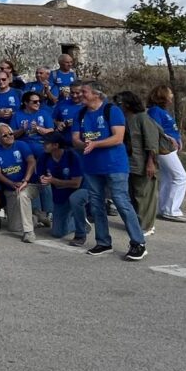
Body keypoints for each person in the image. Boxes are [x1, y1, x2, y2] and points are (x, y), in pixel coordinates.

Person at [73, 83, 147, 261]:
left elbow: (117, 137)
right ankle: (103, 242)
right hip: (91, 166)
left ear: (96, 94)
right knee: (97, 205)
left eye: (84, 92)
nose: (78, 95)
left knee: (121, 202)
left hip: (114, 165)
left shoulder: (111, 110)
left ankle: (138, 243)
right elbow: (75, 139)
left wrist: (95, 144)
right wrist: (84, 145)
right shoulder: (80, 113)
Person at [115, 91, 161, 237]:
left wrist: (150, 163)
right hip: (129, 163)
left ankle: (147, 226)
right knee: (133, 194)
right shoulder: (124, 119)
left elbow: (152, 143)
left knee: (144, 195)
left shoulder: (143, 118)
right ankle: (136, 222)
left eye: (120, 103)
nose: (118, 106)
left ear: (128, 104)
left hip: (143, 163)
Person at [0, 122, 42, 243]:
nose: (9, 136)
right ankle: (36, 218)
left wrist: (25, 180)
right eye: (5, 135)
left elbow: (31, 161)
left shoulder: (21, 145)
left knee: (23, 194)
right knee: (14, 227)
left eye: (11, 133)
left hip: (30, 185)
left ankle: (29, 232)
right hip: (11, 188)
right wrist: (11, 184)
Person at [38, 133, 88, 244]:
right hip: (60, 194)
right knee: (57, 233)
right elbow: (41, 175)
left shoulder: (72, 157)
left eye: (46, 143)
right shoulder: (44, 157)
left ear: (56, 145)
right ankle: (77, 222)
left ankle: (81, 230)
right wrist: (43, 179)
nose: (43, 145)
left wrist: (53, 181)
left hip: (80, 190)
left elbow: (76, 183)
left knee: (75, 199)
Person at [147, 85, 186, 222]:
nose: (172, 96)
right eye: (169, 93)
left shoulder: (163, 111)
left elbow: (170, 127)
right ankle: (172, 210)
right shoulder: (154, 111)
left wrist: (178, 138)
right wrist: (169, 138)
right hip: (164, 148)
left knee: (168, 177)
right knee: (181, 177)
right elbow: (154, 129)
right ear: (163, 95)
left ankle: (164, 208)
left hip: (169, 148)